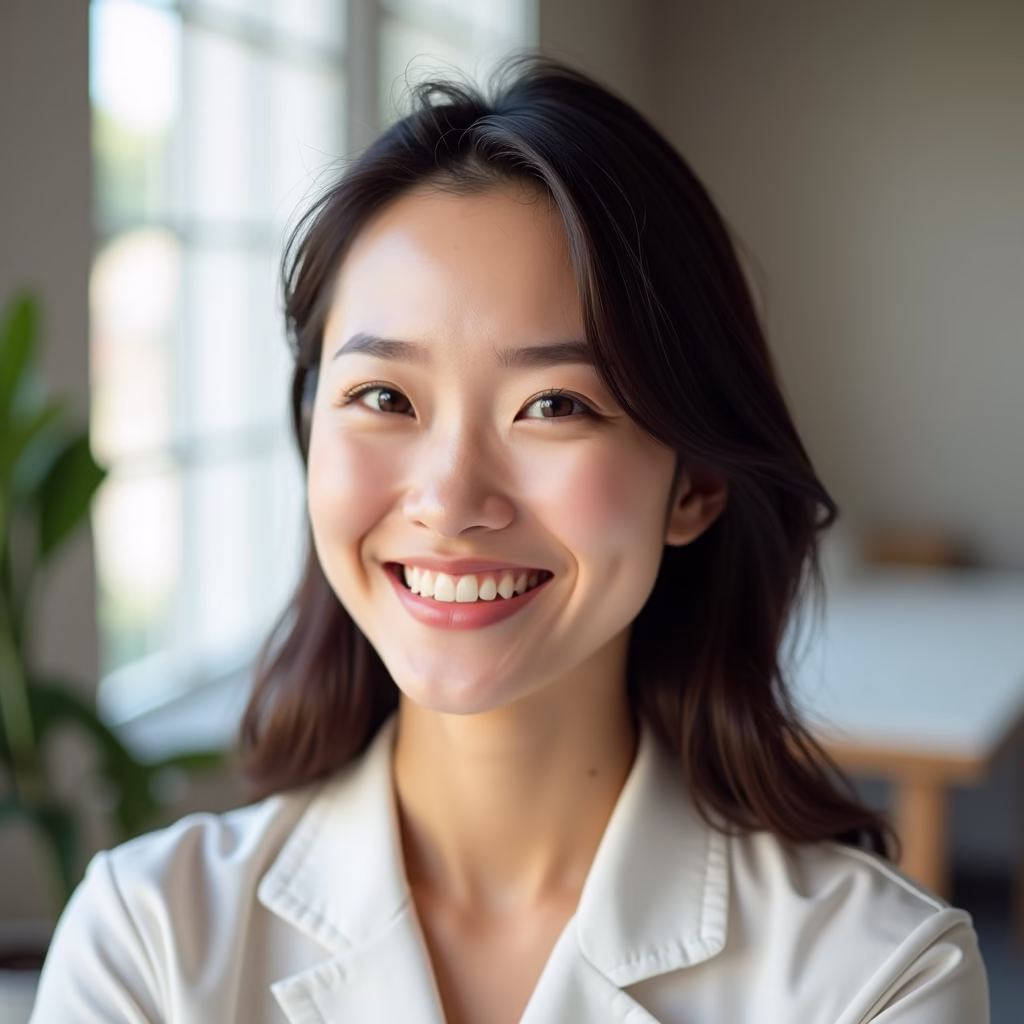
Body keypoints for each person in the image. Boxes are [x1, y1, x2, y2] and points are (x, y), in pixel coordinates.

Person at [31, 57, 988, 1024]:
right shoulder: (146, 943)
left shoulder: (877, 977)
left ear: (695, 484)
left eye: (554, 405)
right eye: (383, 396)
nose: (450, 501)